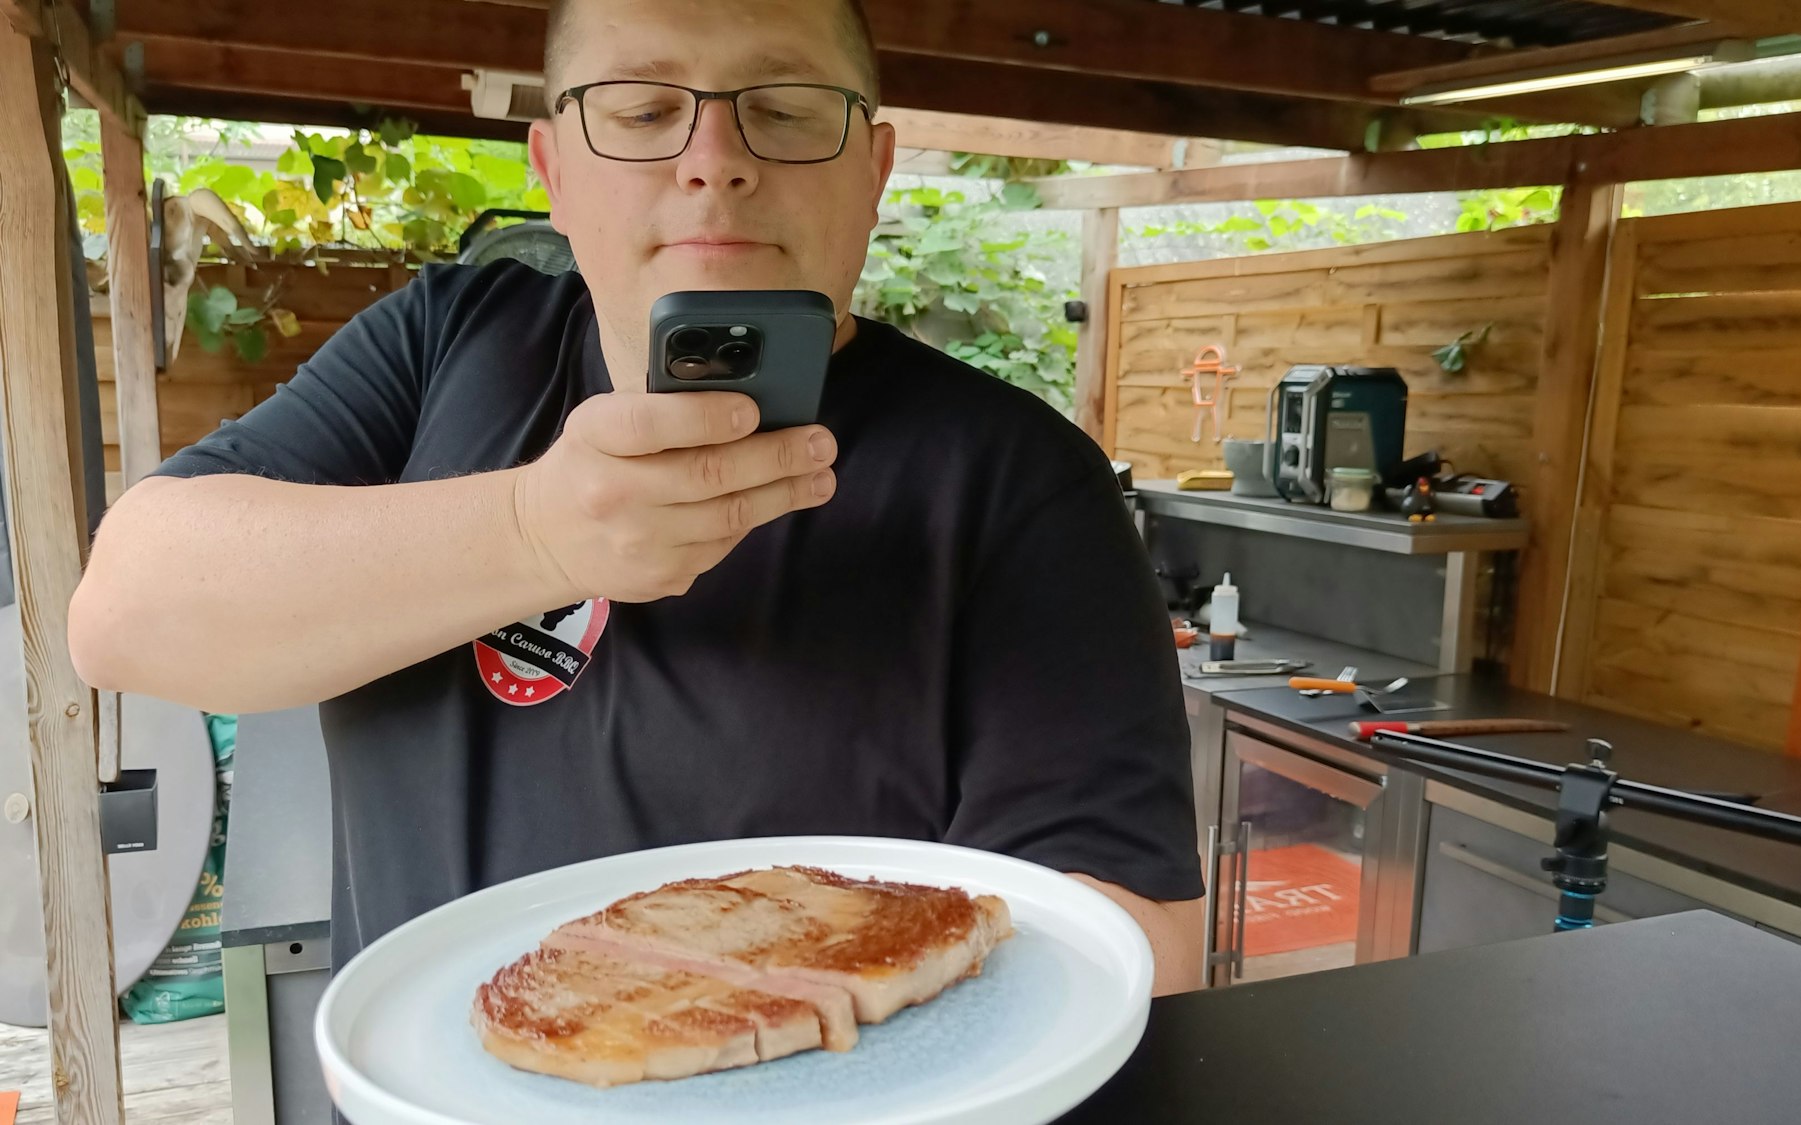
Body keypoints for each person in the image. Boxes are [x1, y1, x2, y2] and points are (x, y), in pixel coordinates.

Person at [68, 0, 1204, 993]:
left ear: (874, 170)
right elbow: (123, 612)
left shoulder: (1019, 481)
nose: (714, 160)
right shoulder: (443, 345)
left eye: (787, 108)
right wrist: (532, 531)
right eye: (643, 109)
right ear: (554, 169)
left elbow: (1125, 944)